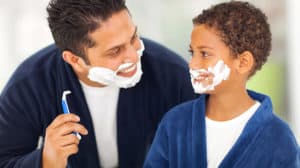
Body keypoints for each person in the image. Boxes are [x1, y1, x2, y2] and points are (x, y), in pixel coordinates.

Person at [0, 0, 196, 167]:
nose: (133, 56)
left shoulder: (173, 75)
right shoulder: (29, 86)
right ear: (74, 59)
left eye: (133, 37)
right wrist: (46, 161)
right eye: (115, 51)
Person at [144, 1, 300, 167]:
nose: (192, 64)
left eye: (204, 54)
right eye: (192, 53)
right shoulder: (175, 123)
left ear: (243, 62)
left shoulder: (279, 138)